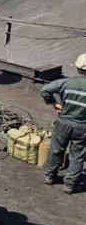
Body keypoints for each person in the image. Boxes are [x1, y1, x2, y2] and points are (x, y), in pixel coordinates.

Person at [41, 53, 86, 195]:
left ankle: (50, 176)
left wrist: (54, 103)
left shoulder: (66, 83)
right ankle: (70, 185)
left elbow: (45, 90)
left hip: (64, 123)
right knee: (77, 155)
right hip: (82, 127)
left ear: (78, 68)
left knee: (56, 149)